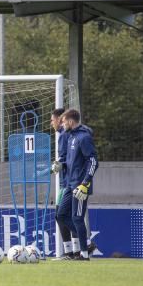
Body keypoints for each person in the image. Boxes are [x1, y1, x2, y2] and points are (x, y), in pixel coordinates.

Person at [55, 109, 98, 260]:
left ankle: (84, 255)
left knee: (77, 218)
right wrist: (59, 163)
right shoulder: (70, 136)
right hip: (69, 184)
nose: (63, 123)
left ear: (71, 121)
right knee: (60, 215)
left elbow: (93, 161)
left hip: (80, 185)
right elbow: (68, 159)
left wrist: (85, 183)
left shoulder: (84, 137)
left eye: (64, 121)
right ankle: (86, 243)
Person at [49, 108, 74, 257]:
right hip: (66, 181)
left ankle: (83, 245)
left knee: (61, 215)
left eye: (52, 119)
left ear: (60, 119)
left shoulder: (64, 136)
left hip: (67, 182)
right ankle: (72, 251)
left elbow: (63, 160)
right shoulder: (65, 135)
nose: (51, 123)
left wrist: (50, 170)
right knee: (64, 216)